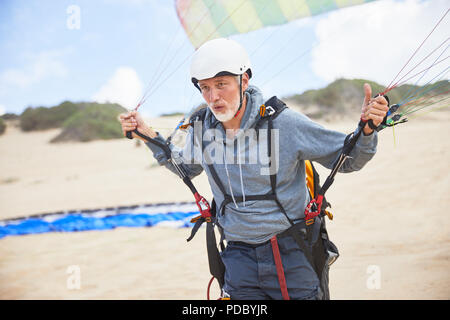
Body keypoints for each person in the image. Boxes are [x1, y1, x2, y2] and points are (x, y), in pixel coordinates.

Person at [118, 38, 389, 300]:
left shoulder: (284, 124)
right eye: (205, 88)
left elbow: (349, 158)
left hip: (290, 252)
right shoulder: (202, 129)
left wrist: (367, 129)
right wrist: (147, 134)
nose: (213, 97)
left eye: (221, 85)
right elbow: (186, 168)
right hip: (238, 259)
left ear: (244, 80)